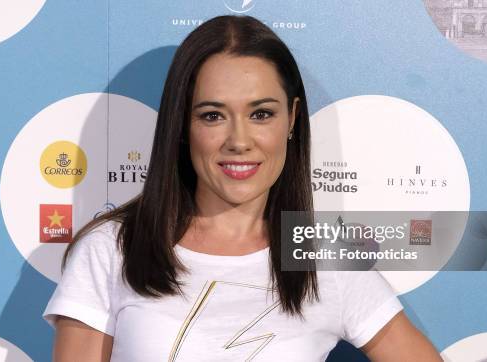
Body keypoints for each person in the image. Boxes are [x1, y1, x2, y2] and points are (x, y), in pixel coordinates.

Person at [42, 15, 443, 361]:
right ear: (183, 125)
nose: (239, 140)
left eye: (261, 113)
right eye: (213, 115)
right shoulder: (112, 248)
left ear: (292, 119)